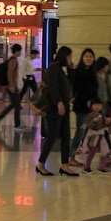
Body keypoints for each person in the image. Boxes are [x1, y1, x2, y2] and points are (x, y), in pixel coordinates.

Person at [36, 46, 80, 177]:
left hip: (64, 108)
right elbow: (52, 87)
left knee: (66, 136)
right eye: (69, 56)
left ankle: (65, 165)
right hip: (55, 109)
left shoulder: (61, 70)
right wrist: (58, 102)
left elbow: (70, 84)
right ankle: (40, 163)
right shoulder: (54, 68)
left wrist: (71, 69)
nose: (71, 59)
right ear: (64, 56)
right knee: (52, 136)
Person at [68, 48, 99, 168]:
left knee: (89, 131)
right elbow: (76, 89)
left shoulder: (92, 72)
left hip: (91, 107)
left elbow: (94, 89)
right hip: (81, 106)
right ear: (82, 58)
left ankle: (85, 154)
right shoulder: (78, 72)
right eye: (86, 56)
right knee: (80, 132)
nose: (88, 58)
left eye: (91, 56)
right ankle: (71, 156)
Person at [0, 44, 26, 131]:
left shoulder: (12, 59)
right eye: (20, 51)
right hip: (11, 86)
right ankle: (17, 125)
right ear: (17, 51)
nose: (20, 52)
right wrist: (12, 86)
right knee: (17, 105)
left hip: (11, 85)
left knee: (14, 104)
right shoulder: (13, 60)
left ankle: (0, 117)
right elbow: (9, 73)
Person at [81, 97, 111, 174]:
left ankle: (102, 167)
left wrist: (106, 122)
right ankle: (87, 167)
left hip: (101, 136)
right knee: (92, 152)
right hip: (93, 136)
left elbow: (103, 125)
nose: (97, 106)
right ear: (91, 106)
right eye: (95, 105)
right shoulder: (90, 115)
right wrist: (94, 121)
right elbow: (88, 125)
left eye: (99, 105)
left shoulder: (101, 115)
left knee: (104, 151)